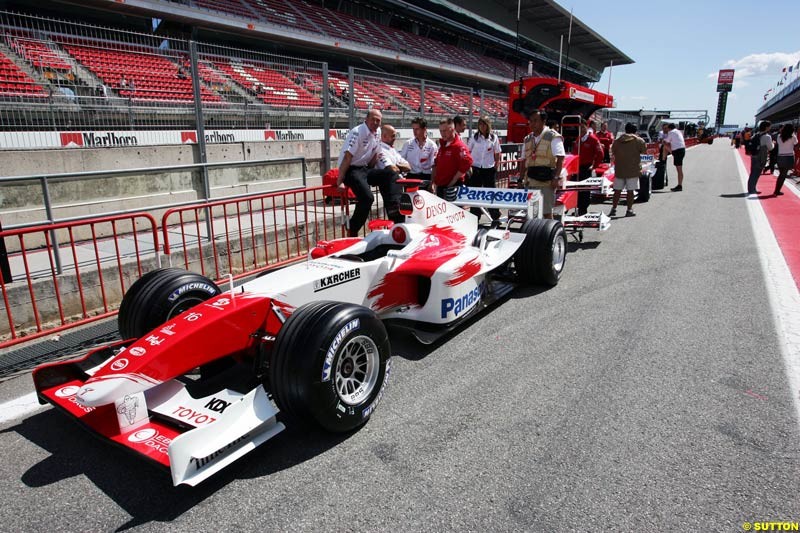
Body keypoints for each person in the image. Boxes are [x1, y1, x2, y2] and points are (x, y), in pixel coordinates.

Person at [336, 109, 402, 236]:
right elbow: (347, 157)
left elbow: (375, 152)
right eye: (373, 119)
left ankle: (395, 214)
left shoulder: (377, 132)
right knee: (367, 198)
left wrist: (376, 170)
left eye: (378, 120)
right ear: (366, 119)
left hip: (364, 168)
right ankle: (353, 229)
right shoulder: (357, 132)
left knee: (391, 175)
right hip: (351, 169)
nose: (376, 122)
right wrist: (340, 181)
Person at [523, 109, 565, 219]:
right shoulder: (527, 139)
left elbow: (560, 159)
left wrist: (556, 177)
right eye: (530, 121)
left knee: (546, 212)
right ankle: (534, 235)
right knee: (532, 213)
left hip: (546, 182)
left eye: (535, 121)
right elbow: (523, 161)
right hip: (530, 181)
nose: (532, 124)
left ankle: (548, 234)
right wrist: (520, 180)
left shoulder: (553, 137)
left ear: (543, 121)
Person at [466, 115, 502, 221]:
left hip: (489, 168)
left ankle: (495, 214)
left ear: (488, 125)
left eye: (484, 124)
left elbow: (497, 152)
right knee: (475, 192)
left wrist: (496, 164)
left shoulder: (493, 137)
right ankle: (475, 216)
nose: (482, 126)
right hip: (476, 167)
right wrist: (469, 166)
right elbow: (468, 151)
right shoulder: (474, 137)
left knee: (491, 192)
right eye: (480, 124)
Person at [609, 123, 647, 217]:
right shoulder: (639, 141)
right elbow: (644, 151)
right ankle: (629, 210)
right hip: (633, 170)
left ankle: (614, 209)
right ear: (635, 131)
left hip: (619, 170)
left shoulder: (617, 141)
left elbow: (613, 151)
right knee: (630, 191)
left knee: (617, 191)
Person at [432, 118, 472, 201]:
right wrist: (435, 182)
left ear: (453, 130)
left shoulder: (459, 146)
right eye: (441, 131)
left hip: (452, 188)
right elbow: (437, 164)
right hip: (441, 187)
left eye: (445, 131)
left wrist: (453, 180)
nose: (442, 134)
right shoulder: (443, 145)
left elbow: (467, 163)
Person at [571, 119, 604, 215]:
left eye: (582, 127)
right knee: (576, 189)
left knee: (585, 189)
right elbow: (574, 153)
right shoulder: (578, 139)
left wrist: (594, 166)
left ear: (586, 126)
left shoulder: (593, 139)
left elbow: (600, 154)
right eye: (579, 127)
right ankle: (577, 208)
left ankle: (583, 210)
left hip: (586, 168)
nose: (580, 129)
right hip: (577, 168)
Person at [400, 117, 438, 182]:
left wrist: (433, 183)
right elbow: (401, 160)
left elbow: (434, 165)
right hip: (411, 176)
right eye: (413, 129)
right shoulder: (408, 143)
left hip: (426, 177)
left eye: (417, 129)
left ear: (424, 129)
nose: (414, 131)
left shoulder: (432, 145)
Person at [747, 120, 773, 195]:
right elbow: (770, 147)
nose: (770, 128)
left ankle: (751, 188)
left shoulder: (756, 134)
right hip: (761, 155)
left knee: (753, 172)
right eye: (769, 126)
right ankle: (752, 189)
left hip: (754, 154)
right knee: (757, 172)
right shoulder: (767, 136)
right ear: (766, 127)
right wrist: (773, 144)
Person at [774, 124, 798, 196]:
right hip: (789, 157)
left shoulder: (779, 136)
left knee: (781, 174)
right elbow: (796, 145)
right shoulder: (793, 137)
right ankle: (777, 191)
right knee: (783, 175)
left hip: (780, 157)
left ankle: (777, 190)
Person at [664, 123, 686, 191]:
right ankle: (680, 185)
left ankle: (680, 185)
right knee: (679, 168)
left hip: (677, 151)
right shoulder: (678, 131)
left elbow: (666, 141)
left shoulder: (671, 132)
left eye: (666, 128)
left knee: (679, 169)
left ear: (669, 128)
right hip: (682, 149)